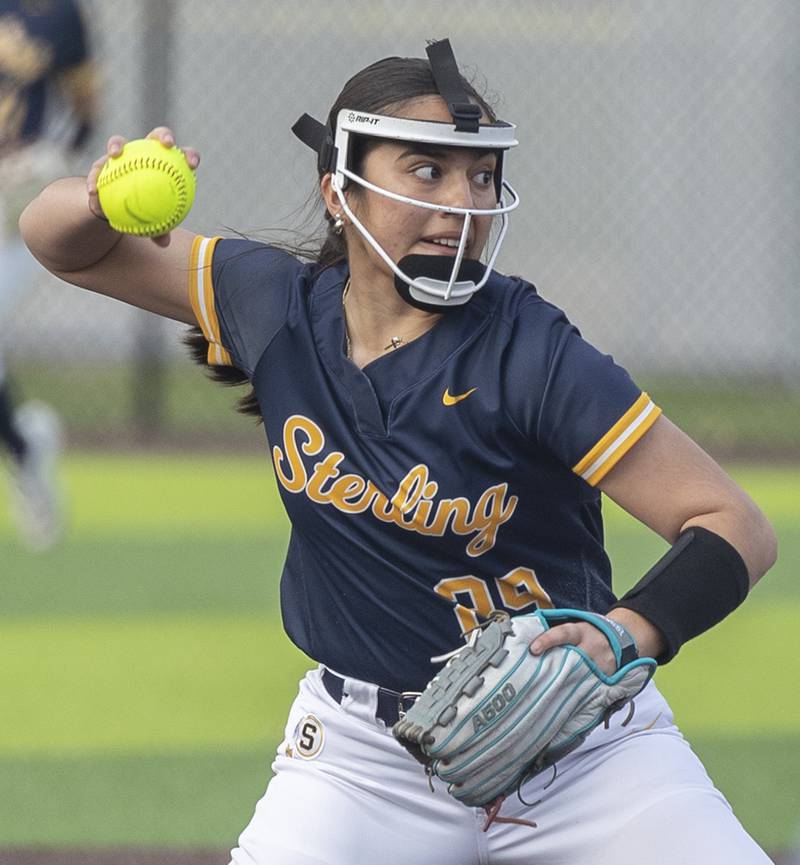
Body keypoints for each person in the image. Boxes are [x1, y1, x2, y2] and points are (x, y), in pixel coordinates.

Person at [20, 37, 777, 865]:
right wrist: (96, 197)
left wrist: (629, 631)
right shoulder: (270, 304)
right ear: (340, 191)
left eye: (480, 175)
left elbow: (732, 522)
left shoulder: (531, 350)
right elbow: (59, 241)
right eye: (427, 170)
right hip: (363, 761)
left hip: (583, 746)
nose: (463, 202)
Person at [0, 0, 97, 549]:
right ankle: (23, 446)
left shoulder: (62, 14)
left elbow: (85, 108)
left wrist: (51, 160)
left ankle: (23, 452)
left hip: (10, 204)